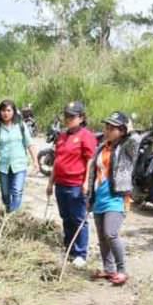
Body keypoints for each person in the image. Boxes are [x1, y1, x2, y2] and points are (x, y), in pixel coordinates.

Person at [86, 112, 139, 286]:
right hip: (100, 197)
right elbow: (95, 173)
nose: (107, 131)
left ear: (122, 131)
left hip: (116, 197)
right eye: (106, 127)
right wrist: (90, 198)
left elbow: (136, 141)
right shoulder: (102, 148)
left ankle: (122, 270)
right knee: (102, 237)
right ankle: (109, 269)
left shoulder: (126, 148)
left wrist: (130, 132)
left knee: (111, 233)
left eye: (112, 128)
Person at [46, 101, 97, 268]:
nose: (68, 119)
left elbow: (90, 160)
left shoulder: (85, 136)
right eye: (66, 116)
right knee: (66, 218)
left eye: (72, 116)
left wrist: (86, 183)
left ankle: (80, 253)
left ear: (81, 118)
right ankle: (69, 248)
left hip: (76, 184)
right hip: (61, 183)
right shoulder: (62, 136)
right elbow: (57, 160)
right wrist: (50, 182)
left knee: (78, 219)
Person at [0, 99, 39, 213]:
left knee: (17, 191)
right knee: (5, 194)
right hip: (3, 166)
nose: (6, 113)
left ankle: (12, 216)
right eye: (3, 110)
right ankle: (9, 210)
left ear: (13, 112)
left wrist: (36, 162)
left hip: (19, 165)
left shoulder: (21, 126)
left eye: (9, 110)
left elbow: (30, 144)